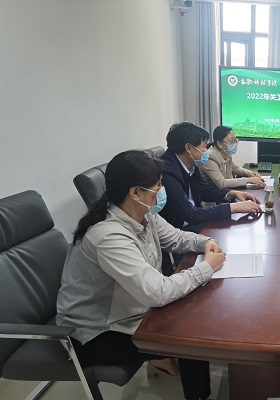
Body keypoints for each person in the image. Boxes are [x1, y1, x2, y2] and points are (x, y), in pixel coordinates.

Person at [56, 150, 226, 400]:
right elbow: (158, 292)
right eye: (158, 185)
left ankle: (163, 361)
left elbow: (177, 238)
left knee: (192, 315)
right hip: (95, 333)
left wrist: (206, 242)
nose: (162, 190)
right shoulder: (108, 236)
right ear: (135, 192)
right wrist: (207, 267)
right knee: (191, 337)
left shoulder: (143, 214)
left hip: (132, 309)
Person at [159, 122, 262, 234]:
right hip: (179, 231)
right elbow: (191, 214)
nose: (206, 151)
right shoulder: (167, 172)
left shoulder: (191, 163)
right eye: (204, 146)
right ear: (189, 148)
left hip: (195, 221)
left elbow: (206, 191)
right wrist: (234, 207)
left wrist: (232, 193)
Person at [200, 125, 265, 189]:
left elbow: (235, 169)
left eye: (235, 140)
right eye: (231, 141)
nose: (234, 144)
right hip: (213, 194)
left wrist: (251, 173)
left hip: (226, 191)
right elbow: (222, 183)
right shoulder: (209, 157)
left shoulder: (226, 153)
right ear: (219, 143)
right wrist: (248, 180)